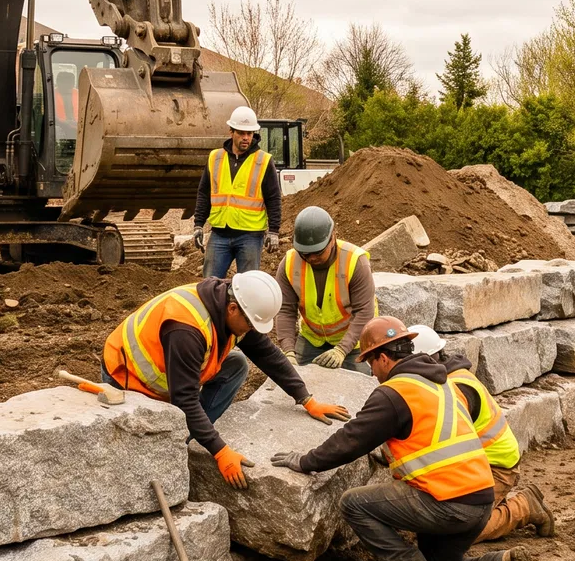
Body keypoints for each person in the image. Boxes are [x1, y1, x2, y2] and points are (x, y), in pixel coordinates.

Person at [270, 316, 542, 561]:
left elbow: (352, 439)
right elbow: (427, 438)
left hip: (447, 502)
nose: (371, 373)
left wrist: (306, 461)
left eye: (370, 363)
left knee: (354, 503)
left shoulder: (395, 392)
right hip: (479, 500)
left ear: (384, 358)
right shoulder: (439, 384)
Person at [104, 271, 353, 490]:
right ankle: (172, 448)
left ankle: (187, 439)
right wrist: (220, 451)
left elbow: (267, 354)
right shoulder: (187, 328)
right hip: (131, 377)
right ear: (232, 309)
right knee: (137, 451)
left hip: (172, 372)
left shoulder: (235, 305)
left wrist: (305, 398)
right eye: (250, 325)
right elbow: (184, 398)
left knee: (236, 366)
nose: (251, 331)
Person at [410, 326, 554, 542]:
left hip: (495, 467)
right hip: (475, 464)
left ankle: (523, 506)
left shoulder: (457, 390)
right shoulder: (445, 380)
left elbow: (438, 442)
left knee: (456, 535)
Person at [274, 206, 378, 371]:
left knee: (358, 388)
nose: (311, 258)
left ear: (333, 237)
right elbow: (285, 310)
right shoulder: (289, 264)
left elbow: (364, 312)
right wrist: (288, 351)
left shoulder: (355, 261)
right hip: (312, 338)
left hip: (354, 339)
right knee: (295, 380)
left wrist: (341, 350)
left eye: (318, 252)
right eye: (305, 253)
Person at [193, 105, 281, 279]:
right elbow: (204, 193)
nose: (246, 138)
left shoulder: (263, 161)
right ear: (231, 132)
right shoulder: (215, 158)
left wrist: (274, 231)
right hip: (219, 233)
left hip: (250, 236)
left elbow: (273, 198)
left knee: (248, 287)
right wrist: (198, 224)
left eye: (249, 134)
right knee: (209, 284)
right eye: (241, 133)